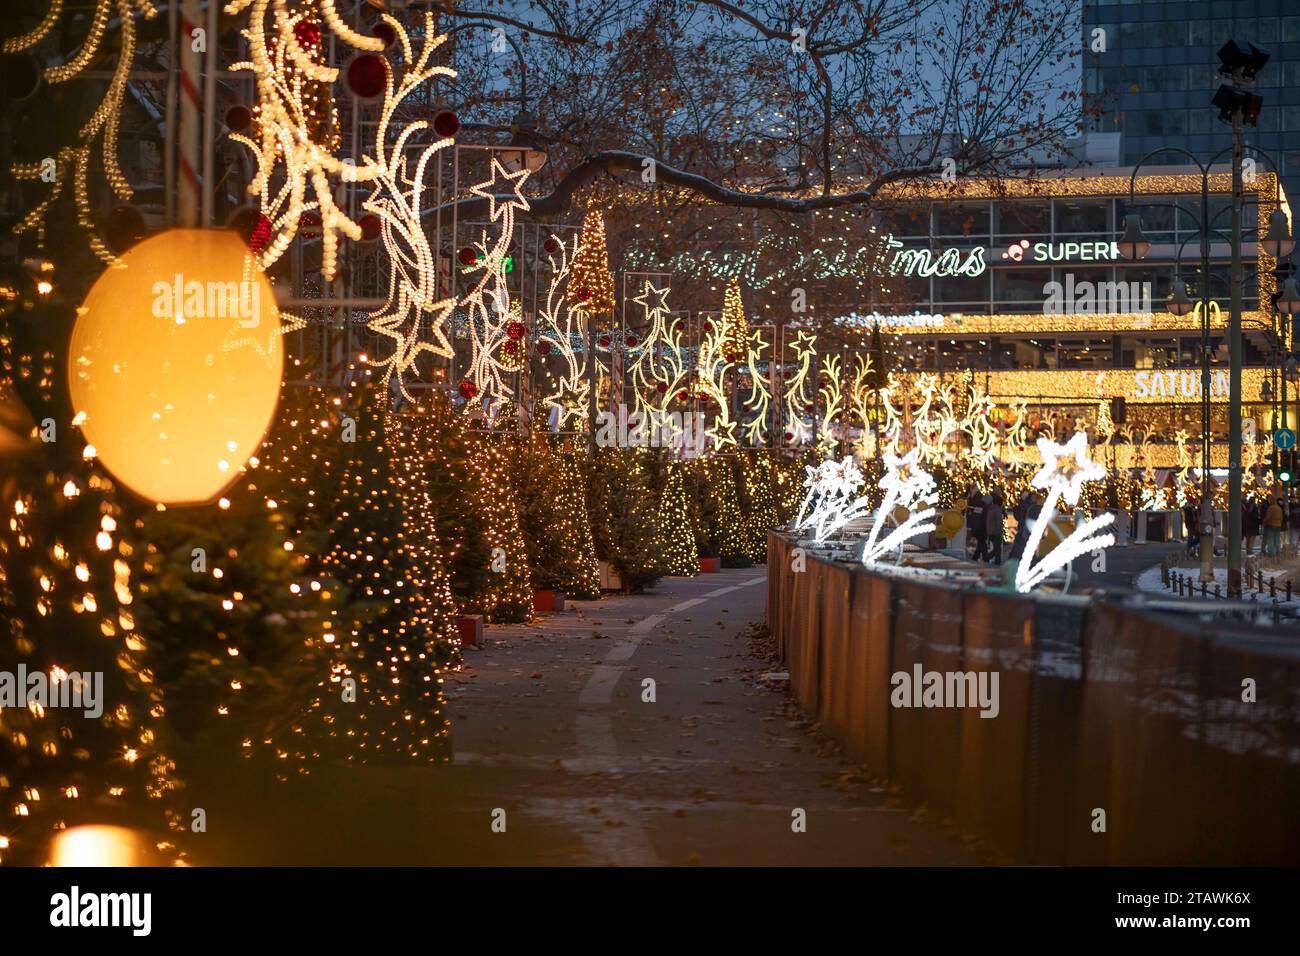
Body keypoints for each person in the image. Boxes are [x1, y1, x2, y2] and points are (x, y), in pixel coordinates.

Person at [966, 486, 988, 562]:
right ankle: (983, 558)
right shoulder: (981, 501)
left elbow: (975, 515)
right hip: (981, 526)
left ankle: (979, 558)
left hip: (978, 525)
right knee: (982, 543)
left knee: (981, 543)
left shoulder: (975, 501)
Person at [985, 490, 1006, 566]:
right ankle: (989, 559)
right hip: (996, 532)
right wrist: (1000, 532)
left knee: (997, 549)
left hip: (990, 531)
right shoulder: (997, 511)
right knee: (997, 549)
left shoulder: (991, 509)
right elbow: (998, 523)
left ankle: (995, 561)